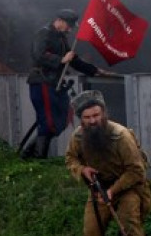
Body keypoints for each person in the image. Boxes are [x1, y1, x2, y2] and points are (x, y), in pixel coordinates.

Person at [65, 89, 151, 236]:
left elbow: (136, 170)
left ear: (103, 113)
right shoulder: (78, 137)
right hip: (97, 191)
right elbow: (71, 159)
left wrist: (113, 190)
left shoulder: (121, 136)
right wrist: (82, 170)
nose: (93, 121)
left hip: (128, 188)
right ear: (81, 120)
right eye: (87, 118)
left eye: (96, 115)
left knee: (131, 231)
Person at [24, 9, 107, 159]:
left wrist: (94, 70)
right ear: (60, 21)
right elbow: (39, 54)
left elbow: (73, 60)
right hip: (42, 81)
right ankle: (38, 159)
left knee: (61, 121)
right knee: (48, 122)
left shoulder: (62, 39)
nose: (70, 29)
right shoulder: (44, 33)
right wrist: (60, 59)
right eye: (69, 25)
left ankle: (27, 155)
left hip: (55, 84)